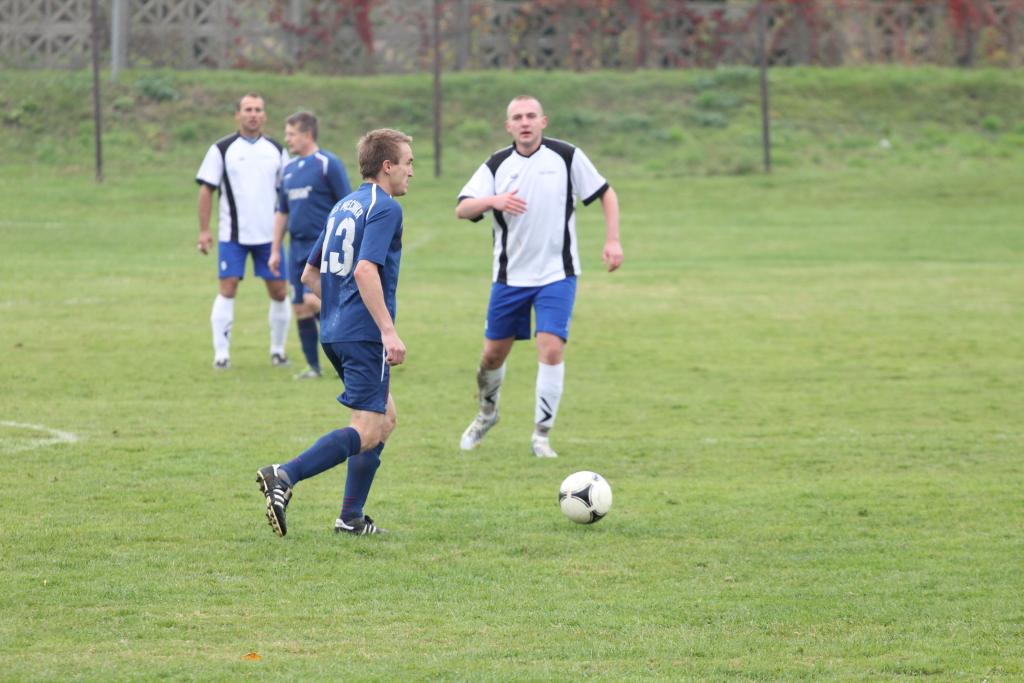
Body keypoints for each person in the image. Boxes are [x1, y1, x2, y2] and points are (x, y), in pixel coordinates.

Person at [257, 128, 414, 537]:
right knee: (366, 428)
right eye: (408, 163)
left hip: (334, 331)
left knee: (385, 417)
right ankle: (285, 474)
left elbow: (310, 273)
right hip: (362, 335)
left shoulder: (344, 204)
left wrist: (340, 309)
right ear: (387, 166)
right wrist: (387, 330)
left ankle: (351, 518)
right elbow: (364, 269)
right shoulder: (386, 207)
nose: (411, 172)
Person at [455, 95, 623, 459]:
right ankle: (487, 413)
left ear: (543, 121)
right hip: (509, 278)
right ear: (509, 126)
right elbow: (463, 207)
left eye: (531, 115)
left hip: (557, 274)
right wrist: (493, 201)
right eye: (518, 117)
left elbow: (606, 194)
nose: (525, 122)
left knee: (551, 347)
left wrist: (612, 240)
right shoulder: (497, 165)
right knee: (492, 355)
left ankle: (541, 435)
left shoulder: (566, 156)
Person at [195, 92, 291, 370]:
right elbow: (206, 190)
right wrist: (204, 230)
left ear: (264, 116)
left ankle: (278, 350)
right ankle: (221, 354)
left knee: (279, 291)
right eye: (247, 109)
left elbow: (286, 192)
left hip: (269, 237)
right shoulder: (221, 149)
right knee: (228, 287)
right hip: (232, 236)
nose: (253, 114)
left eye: (258, 109)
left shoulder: (276, 150)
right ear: (237, 115)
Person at [269, 111, 352, 380]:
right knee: (300, 308)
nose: (287, 139)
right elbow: (282, 212)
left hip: (324, 246)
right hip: (296, 247)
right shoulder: (289, 170)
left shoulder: (328, 164)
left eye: (291, 134)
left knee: (312, 299)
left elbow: (348, 204)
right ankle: (314, 368)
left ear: (307, 135)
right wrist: (274, 249)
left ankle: (350, 350)